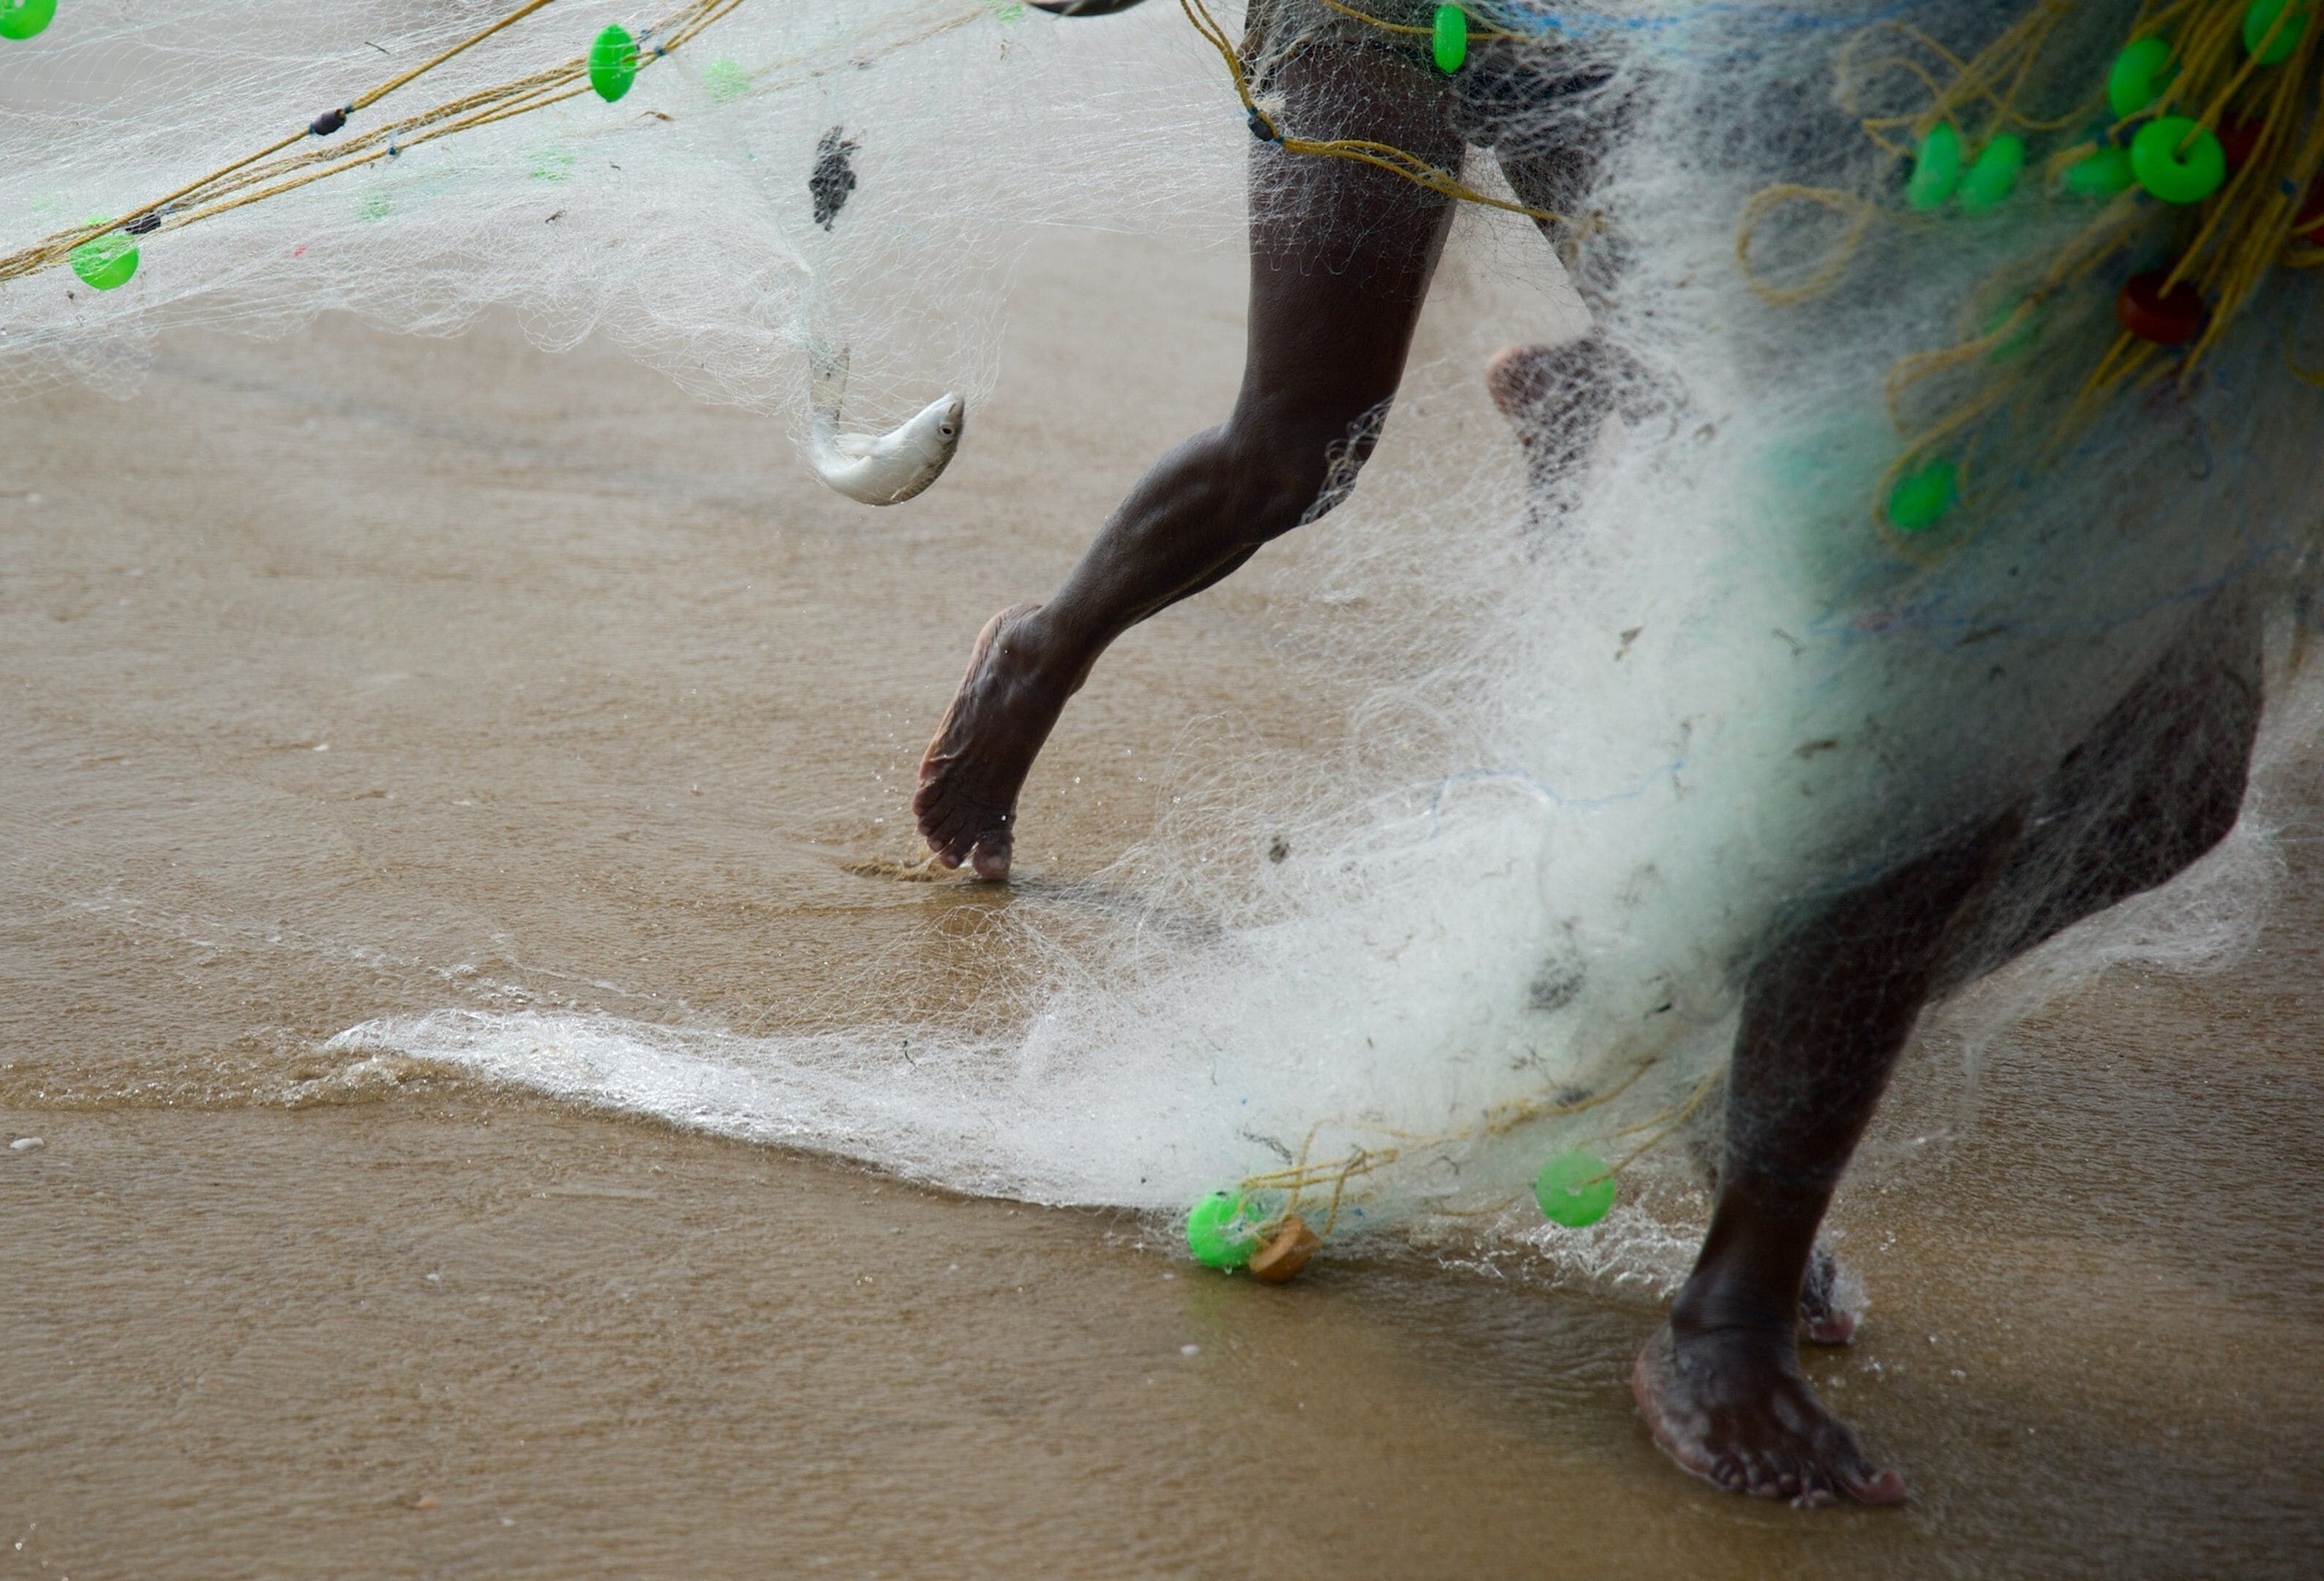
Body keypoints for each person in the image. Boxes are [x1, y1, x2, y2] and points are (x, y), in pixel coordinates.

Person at [920, 0, 2265, 1505]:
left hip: (1626, 32)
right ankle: (1041, 658)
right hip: (1391, 14)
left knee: (2158, 764)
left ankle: (1587, 413)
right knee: (1307, 436)